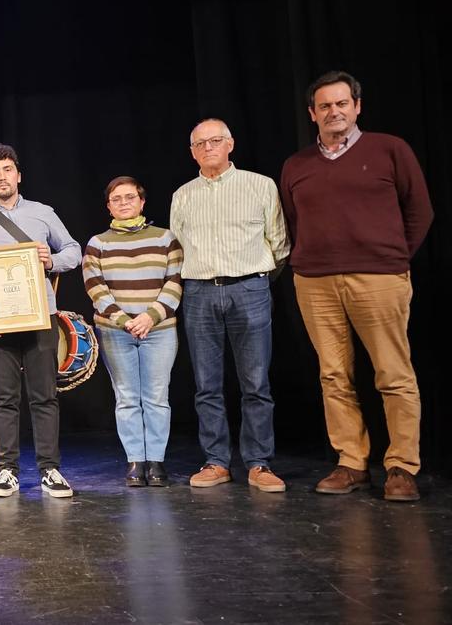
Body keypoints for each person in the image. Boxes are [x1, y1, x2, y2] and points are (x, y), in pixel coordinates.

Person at [281, 71, 434, 502]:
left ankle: (402, 466)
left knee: (393, 373)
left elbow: (419, 210)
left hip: (379, 278)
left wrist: (392, 257)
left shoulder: (390, 150)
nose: (334, 112)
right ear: (313, 114)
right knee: (333, 375)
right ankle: (351, 462)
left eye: (342, 103)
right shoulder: (296, 165)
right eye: (325, 106)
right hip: (315, 282)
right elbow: (294, 221)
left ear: (357, 106)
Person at [0, 143, 81, 498]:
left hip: (40, 317)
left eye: (7, 169)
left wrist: (51, 259)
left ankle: (49, 469)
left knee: (44, 395)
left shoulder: (42, 213)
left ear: (18, 175)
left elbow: (74, 250)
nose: (1, 177)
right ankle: (6, 471)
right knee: (3, 397)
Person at [170, 119, 291, 492]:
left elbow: (280, 244)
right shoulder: (183, 195)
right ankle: (216, 461)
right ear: (192, 152)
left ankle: (258, 463)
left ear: (230, 144)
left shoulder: (260, 185)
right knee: (207, 384)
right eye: (200, 143)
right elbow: (176, 250)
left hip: (249, 288)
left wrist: (254, 281)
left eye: (216, 141)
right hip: (200, 292)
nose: (208, 148)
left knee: (255, 382)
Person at [83, 176, 183, 487]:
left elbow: (175, 282)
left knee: (156, 397)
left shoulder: (166, 238)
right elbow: (95, 287)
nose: (123, 203)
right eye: (117, 199)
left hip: (159, 329)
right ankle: (135, 462)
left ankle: (156, 461)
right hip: (116, 330)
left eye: (130, 197)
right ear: (108, 206)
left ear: (141, 202)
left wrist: (150, 317)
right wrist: (125, 320)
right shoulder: (98, 244)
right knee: (127, 397)